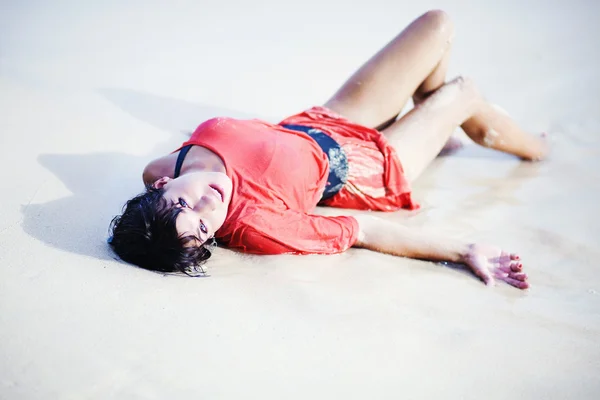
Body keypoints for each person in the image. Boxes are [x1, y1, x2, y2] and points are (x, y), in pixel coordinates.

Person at [109, 10, 547, 289]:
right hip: (367, 167)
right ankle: (535, 151)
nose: (211, 203)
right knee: (463, 92)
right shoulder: (258, 226)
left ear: (163, 183)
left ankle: (435, 131)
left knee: (437, 26)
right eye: (204, 229)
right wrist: (464, 250)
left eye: (186, 201)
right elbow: (363, 231)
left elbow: (163, 190)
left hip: (323, 122)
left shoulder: (161, 168)